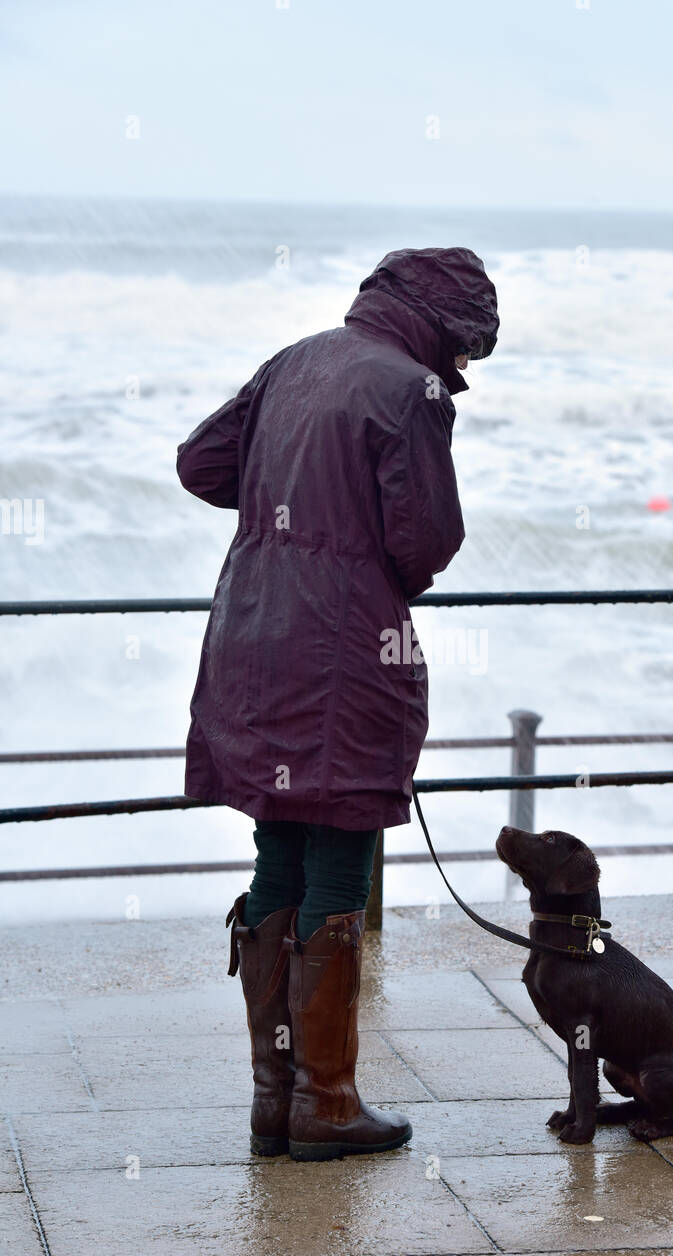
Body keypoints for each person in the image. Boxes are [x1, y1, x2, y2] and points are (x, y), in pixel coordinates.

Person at [177, 247, 499, 1161]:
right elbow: (425, 543)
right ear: (442, 326)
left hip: (250, 630)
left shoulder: (298, 358)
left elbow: (201, 463)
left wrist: (290, 504)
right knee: (341, 853)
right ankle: (328, 1104)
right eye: (468, 351)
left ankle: (274, 1103)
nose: (464, 371)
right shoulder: (409, 389)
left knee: (277, 847)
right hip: (343, 646)